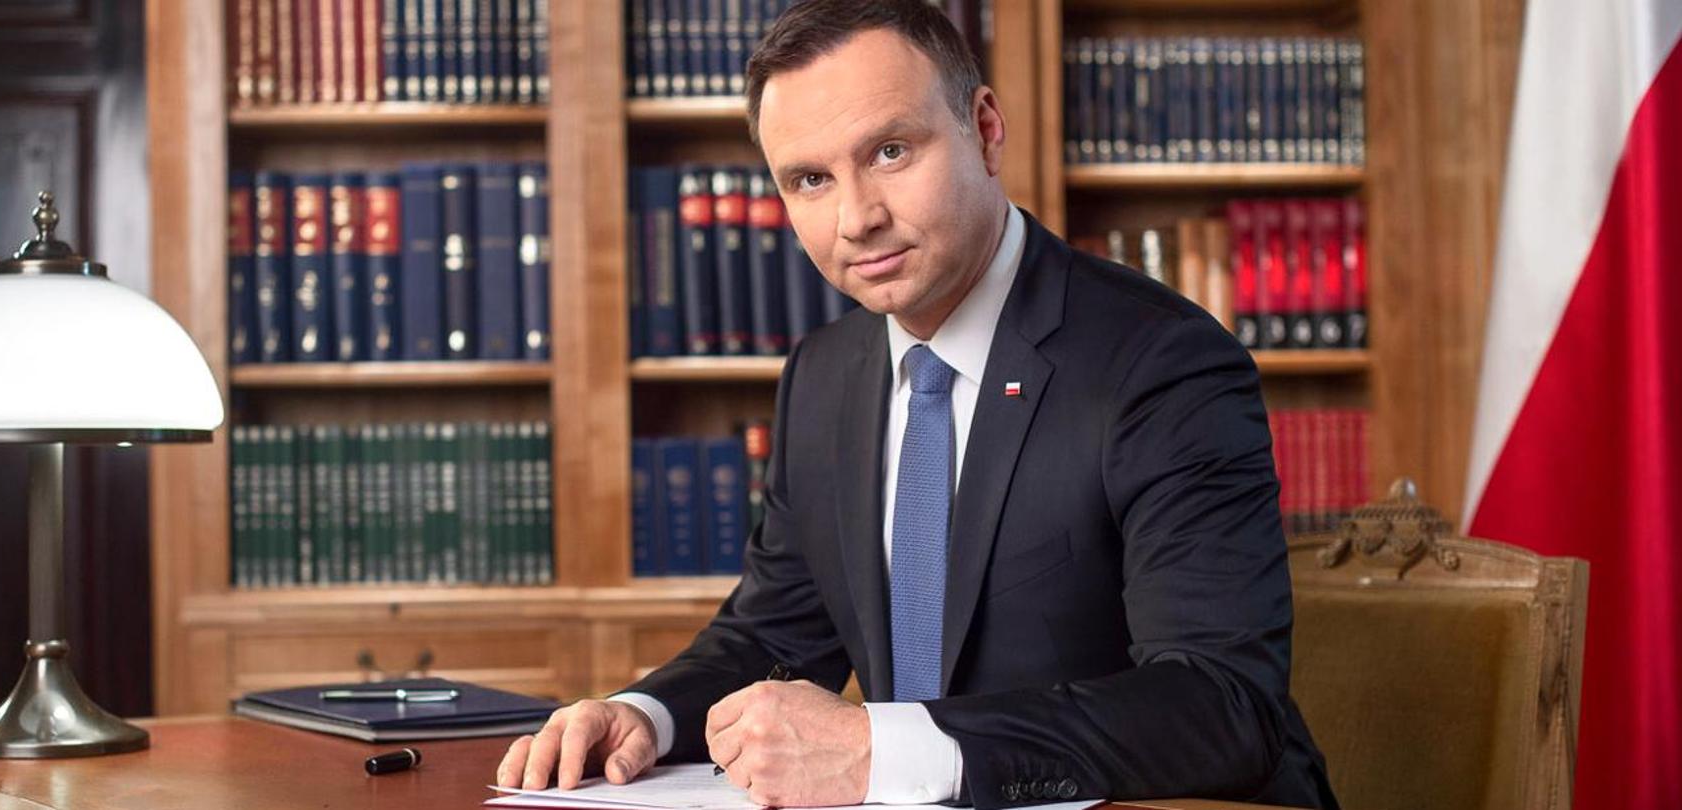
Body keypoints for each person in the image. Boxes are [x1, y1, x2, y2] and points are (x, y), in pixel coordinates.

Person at [497, 1, 1337, 807]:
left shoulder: (1163, 363)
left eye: (891, 152)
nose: (856, 218)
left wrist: (882, 751)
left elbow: (1221, 706)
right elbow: (775, 637)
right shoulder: (823, 375)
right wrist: (644, 716)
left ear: (986, 129)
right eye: (810, 179)